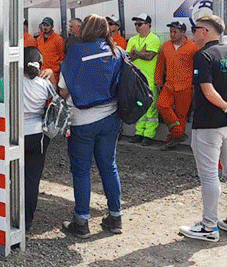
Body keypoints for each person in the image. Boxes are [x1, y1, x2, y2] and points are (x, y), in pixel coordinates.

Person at [179, 14, 227, 243]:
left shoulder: (202, 55)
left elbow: (208, 91)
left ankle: (209, 226)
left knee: (210, 175)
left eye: (195, 28)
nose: (192, 32)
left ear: (206, 31)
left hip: (209, 124)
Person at [58, 14, 123, 238]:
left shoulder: (76, 53)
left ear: (85, 30)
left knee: (81, 171)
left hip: (82, 121)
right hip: (111, 118)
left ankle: (82, 222)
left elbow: (64, 90)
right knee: (108, 165)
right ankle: (115, 217)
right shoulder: (116, 51)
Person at [22, 46, 56, 232]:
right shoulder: (44, 84)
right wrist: (51, 75)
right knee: (32, 180)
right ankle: (27, 219)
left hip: (15, 135)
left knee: (11, 177)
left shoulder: (11, 82)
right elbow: (58, 98)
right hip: (38, 136)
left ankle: (8, 216)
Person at [154, 21, 199, 150]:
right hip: (169, 85)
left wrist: (196, 84)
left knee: (181, 115)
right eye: (171, 31)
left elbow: (198, 67)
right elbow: (160, 65)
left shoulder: (193, 47)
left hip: (185, 86)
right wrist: (158, 81)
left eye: (175, 32)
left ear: (183, 33)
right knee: (162, 105)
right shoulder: (165, 46)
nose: (172, 34)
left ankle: (173, 139)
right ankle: (179, 133)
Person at [127, 13, 161, 145]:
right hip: (136, 79)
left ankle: (149, 135)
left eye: (140, 24)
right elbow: (128, 57)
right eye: (136, 24)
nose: (137, 26)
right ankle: (139, 132)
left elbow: (150, 56)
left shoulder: (154, 39)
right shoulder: (132, 39)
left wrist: (137, 53)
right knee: (139, 106)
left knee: (151, 108)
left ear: (148, 25)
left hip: (150, 79)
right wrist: (141, 53)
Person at [36, 17, 65, 84]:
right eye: (44, 25)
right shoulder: (39, 39)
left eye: (47, 25)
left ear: (52, 26)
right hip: (42, 72)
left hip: (53, 73)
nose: (45, 27)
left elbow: (62, 56)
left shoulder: (58, 39)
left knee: (53, 92)